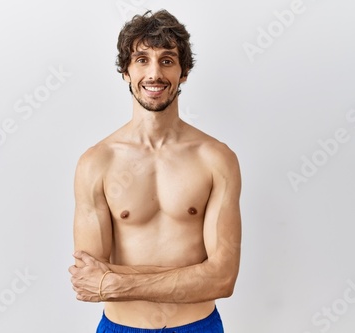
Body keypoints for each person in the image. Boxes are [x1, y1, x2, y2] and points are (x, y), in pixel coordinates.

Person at [69, 9, 242, 333]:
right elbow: (88, 281)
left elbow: (223, 277)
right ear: (126, 71)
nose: (154, 73)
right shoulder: (97, 163)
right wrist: (191, 273)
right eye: (142, 59)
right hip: (122, 327)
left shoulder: (216, 159)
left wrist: (116, 282)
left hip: (197, 326)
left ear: (184, 72)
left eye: (166, 60)